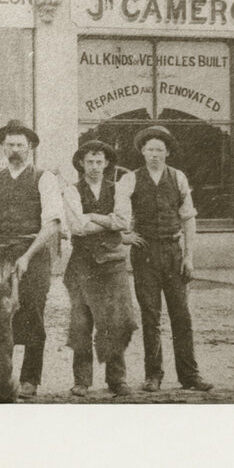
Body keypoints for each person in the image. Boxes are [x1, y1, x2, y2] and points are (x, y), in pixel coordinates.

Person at [0, 119, 61, 401]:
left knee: (33, 314)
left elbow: (52, 223)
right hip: (0, 255)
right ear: (3, 148)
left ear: (30, 147)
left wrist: (28, 256)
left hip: (34, 253)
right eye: (9, 145)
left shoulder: (44, 178)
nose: (14, 149)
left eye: (19, 144)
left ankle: (30, 380)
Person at [117, 125, 212, 392]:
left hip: (173, 252)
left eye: (159, 149)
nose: (155, 154)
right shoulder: (131, 179)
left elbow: (188, 219)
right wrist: (126, 236)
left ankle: (190, 375)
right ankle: (153, 375)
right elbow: (120, 214)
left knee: (181, 316)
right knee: (150, 316)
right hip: (145, 253)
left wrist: (189, 256)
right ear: (142, 152)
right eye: (150, 150)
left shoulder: (178, 177)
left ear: (167, 152)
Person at [62, 140, 138, 398]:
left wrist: (92, 216)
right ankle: (81, 380)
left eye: (99, 162)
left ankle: (117, 379)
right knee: (81, 322)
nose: (94, 167)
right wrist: (108, 222)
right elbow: (77, 228)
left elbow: (123, 221)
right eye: (89, 162)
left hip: (113, 264)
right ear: (81, 164)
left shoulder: (118, 190)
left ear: (106, 163)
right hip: (82, 265)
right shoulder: (72, 191)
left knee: (115, 320)